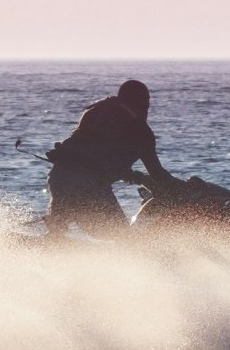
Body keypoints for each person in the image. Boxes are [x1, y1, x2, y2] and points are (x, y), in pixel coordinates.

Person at [43, 79, 180, 238]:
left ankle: (48, 242)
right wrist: (180, 188)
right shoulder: (141, 132)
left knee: (57, 229)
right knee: (123, 239)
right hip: (88, 188)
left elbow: (94, 155)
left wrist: (132, 175)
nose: (147, 109)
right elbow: (157, 173)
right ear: (142, 104)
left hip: (60, 177)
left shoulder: (96, 112)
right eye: (146, 104)